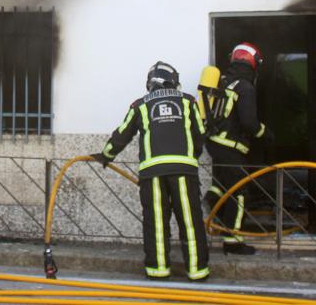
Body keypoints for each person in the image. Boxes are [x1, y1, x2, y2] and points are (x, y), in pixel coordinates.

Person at [96, 61, 210, 281]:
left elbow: (122, 134)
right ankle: (197, 271)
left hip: (152, 173)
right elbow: (199, 134)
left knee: (156, 221)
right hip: (183, 171)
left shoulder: (139, 105)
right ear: (172, 81)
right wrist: (190, 157)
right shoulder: (188, 102)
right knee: (189, 220)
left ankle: (158, 270)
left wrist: (106, 155)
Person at [198, 43, 267, 256]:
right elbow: (248, 122)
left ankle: (209, 202)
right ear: (253, 62)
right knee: (239, 192)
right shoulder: (245, 86)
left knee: (221, 185)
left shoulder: (225, 82)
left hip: (214, 143)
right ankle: (233, 241)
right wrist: (265, 134)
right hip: (230, 147)